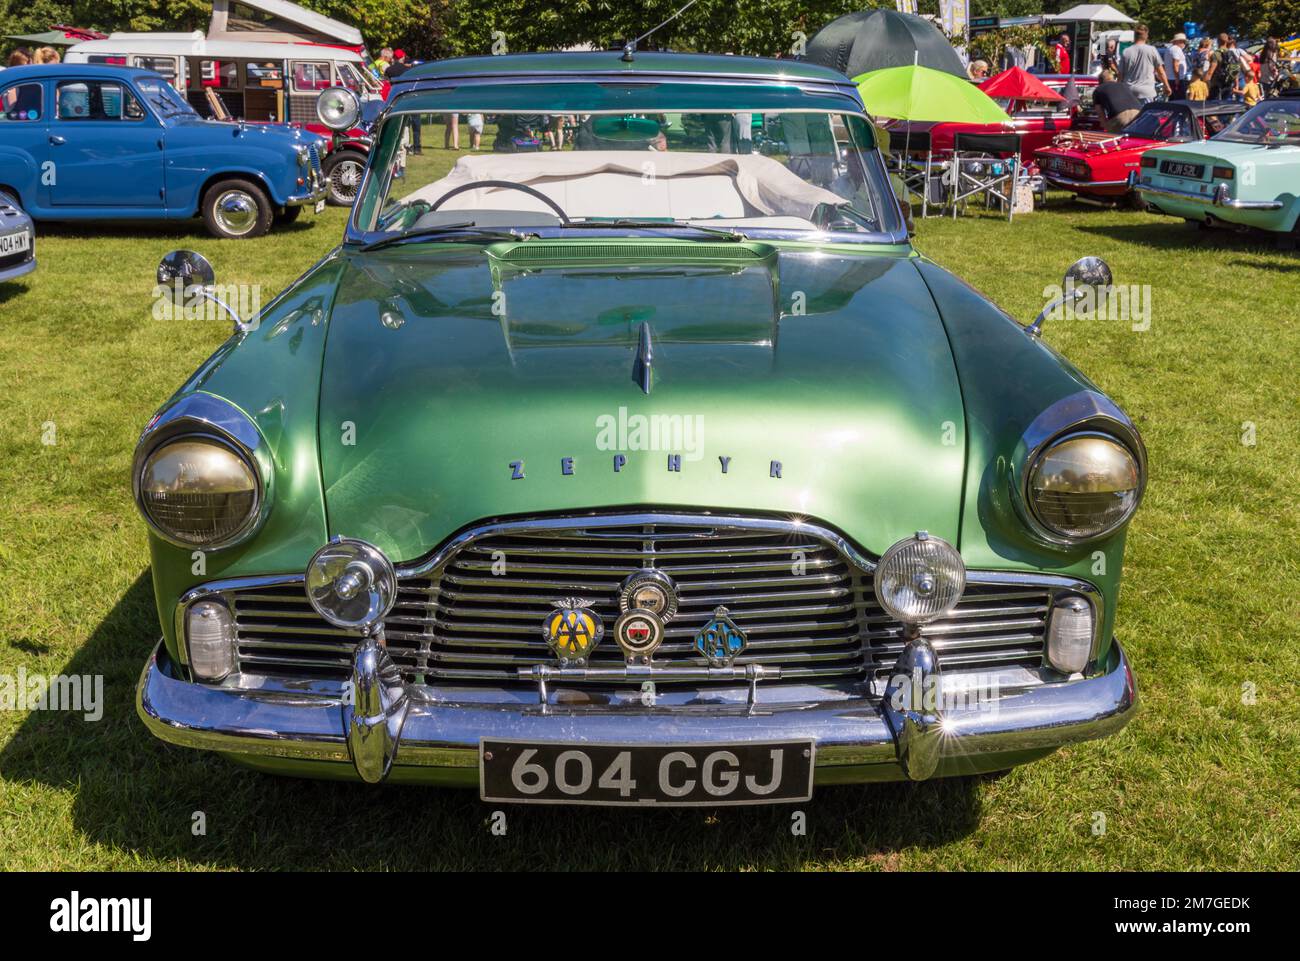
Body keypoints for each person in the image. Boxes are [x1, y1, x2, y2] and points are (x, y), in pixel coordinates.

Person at [1118, 24, 1169, 104]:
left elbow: (1120, 75)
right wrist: (1167, 86)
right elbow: (1161, 72)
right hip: (1146, 91)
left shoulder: (1126, 51)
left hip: (1129, 91)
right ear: (1146, 36)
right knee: (1145, 115)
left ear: (1134, 36)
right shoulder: (1152, 50)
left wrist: (1118, 90)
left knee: (1131, 116)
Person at [1162, 33, 1188, 100]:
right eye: (1183, 41)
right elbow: (1175, 64)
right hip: (1176, 79)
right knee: (1180, 100)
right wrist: (1177, 78)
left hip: (1171, 78)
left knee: (1173, 99)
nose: (1184, 44)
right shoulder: (1176, 49)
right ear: (1178, 41)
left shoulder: (1169, 49)